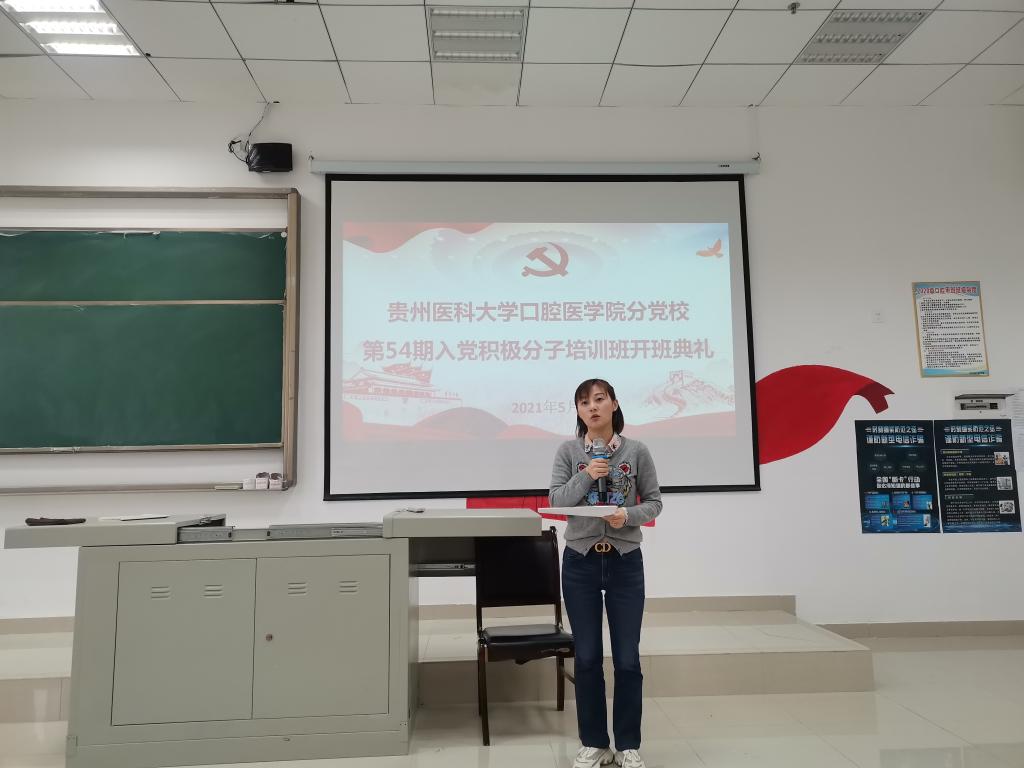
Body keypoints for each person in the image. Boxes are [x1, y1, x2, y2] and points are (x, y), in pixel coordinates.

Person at [550, 379, 662, 768]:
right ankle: (595, 743)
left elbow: (654, 502)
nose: (592, 407)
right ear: (578, 411)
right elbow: (556, 500)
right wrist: (587, 474)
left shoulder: (636, 451)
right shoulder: (569, 452)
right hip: (580, 562)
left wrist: (627, 515)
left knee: (627, 658)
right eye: (584, 402)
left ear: (614, 404)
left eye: (599, 399)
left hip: (624, 561)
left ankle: (628, 744)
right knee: (586, 658)